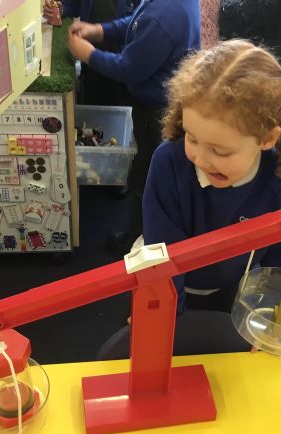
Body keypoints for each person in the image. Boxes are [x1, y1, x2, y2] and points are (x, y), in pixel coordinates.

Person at [142, 39, 281, 315]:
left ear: (267, 139)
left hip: (229, 286)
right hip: (163, 284)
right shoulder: (168, 163)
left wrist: (273, 318)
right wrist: (169, 316)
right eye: (192, 138)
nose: (201, 160)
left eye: (220, 151)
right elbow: (162, 253)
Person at [66, 1, 201, 254]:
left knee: (147, 178)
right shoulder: (163, 8)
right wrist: (100, 30)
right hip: (160, 103)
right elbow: (138, 23)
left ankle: (140, 240)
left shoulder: (164, 15)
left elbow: (129, 68)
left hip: (156, 111)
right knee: (152, 170)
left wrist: (88, 54)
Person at [43, 0, 139, 105]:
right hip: (90, 56)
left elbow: (140, 20)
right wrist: (63, 9)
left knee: (122, 104)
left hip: (122, 60)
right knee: (93, 99)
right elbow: (75, 4)